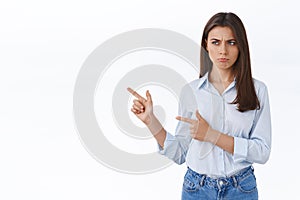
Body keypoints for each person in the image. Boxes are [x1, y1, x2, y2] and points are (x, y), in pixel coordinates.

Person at [127, 12, 271, 200]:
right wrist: (150, 121)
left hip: (241, 189)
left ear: (241, 46)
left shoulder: (257, 90)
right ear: (205, 45)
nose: (223, 51)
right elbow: (180, 153)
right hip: (197, 190)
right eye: (216, 42)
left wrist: (213, 136)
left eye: (231, 42)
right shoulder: (191, 92)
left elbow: (262, 152)